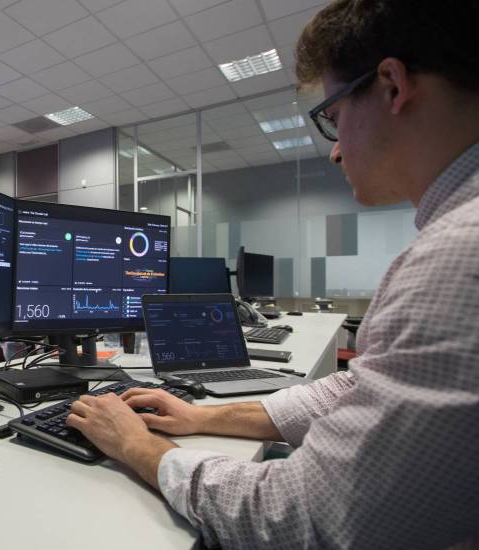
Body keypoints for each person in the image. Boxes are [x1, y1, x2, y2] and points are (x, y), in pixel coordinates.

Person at [66, 1, 479, 547]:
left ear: (392, 86)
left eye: (332, 116)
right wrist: (200, 417)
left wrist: (141, 449)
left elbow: (305, 516)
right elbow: (357, 388)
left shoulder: (457, 255)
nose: (334, 152)